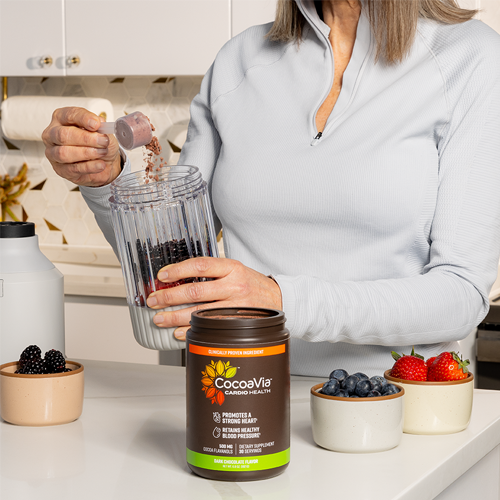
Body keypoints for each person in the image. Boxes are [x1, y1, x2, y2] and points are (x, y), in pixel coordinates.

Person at [42, 0, 500, 377]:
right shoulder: (240, 60)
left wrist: (279, 299)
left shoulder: (468, 56)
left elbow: (459, 296)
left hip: (392, 404)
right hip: (234, 387)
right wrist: (106, 180)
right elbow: (173, 266)